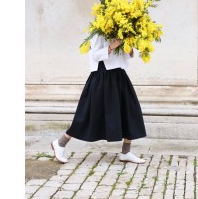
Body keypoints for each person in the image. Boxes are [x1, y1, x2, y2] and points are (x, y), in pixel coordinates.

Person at [51, 34, 147, 164]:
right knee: (88, 113)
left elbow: (129, 55)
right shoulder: (99, 31)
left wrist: (128, 47)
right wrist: (111, 46)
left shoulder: (122, 30)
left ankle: (126, 152)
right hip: (102, 76)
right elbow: (95, 55)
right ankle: (60, 143)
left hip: (119, 75)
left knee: (129, 110)